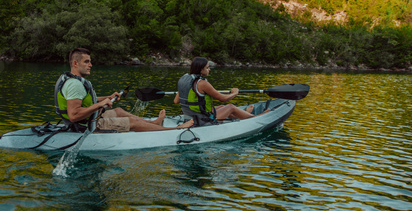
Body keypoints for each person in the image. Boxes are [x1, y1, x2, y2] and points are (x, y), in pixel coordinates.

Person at [54, 48, 193, 132]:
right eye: (86, 62)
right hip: (88, 125)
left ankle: (153, 123)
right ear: (75, 63)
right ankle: (175, 129)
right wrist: (99, 105)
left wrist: (107, 97)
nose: (91, 65)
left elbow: (85, 101)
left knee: (119, 111)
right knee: (131, 123)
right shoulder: (75, 84)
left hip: (90, 119)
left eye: (90, 61)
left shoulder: (74, 82)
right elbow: (74, 115)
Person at [174, 57, 269, 126]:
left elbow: (176, 101)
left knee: (222, 108)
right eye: (207, 67)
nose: (209, 69)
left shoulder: (183, 79)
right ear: (201, 70)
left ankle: (246, 114)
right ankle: (255, 117)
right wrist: (234, 93)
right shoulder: (202, 83)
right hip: (202, 121)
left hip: (189, 117)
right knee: (230, 107)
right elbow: (223, 98)